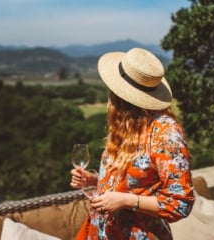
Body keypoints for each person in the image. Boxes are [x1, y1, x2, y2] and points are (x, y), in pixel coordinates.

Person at [70, 48, 195, 240]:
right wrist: (94, 181)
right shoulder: (124, 123)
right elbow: (134, 182)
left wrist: (126, 201)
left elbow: (180, 203)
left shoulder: (165, 133)